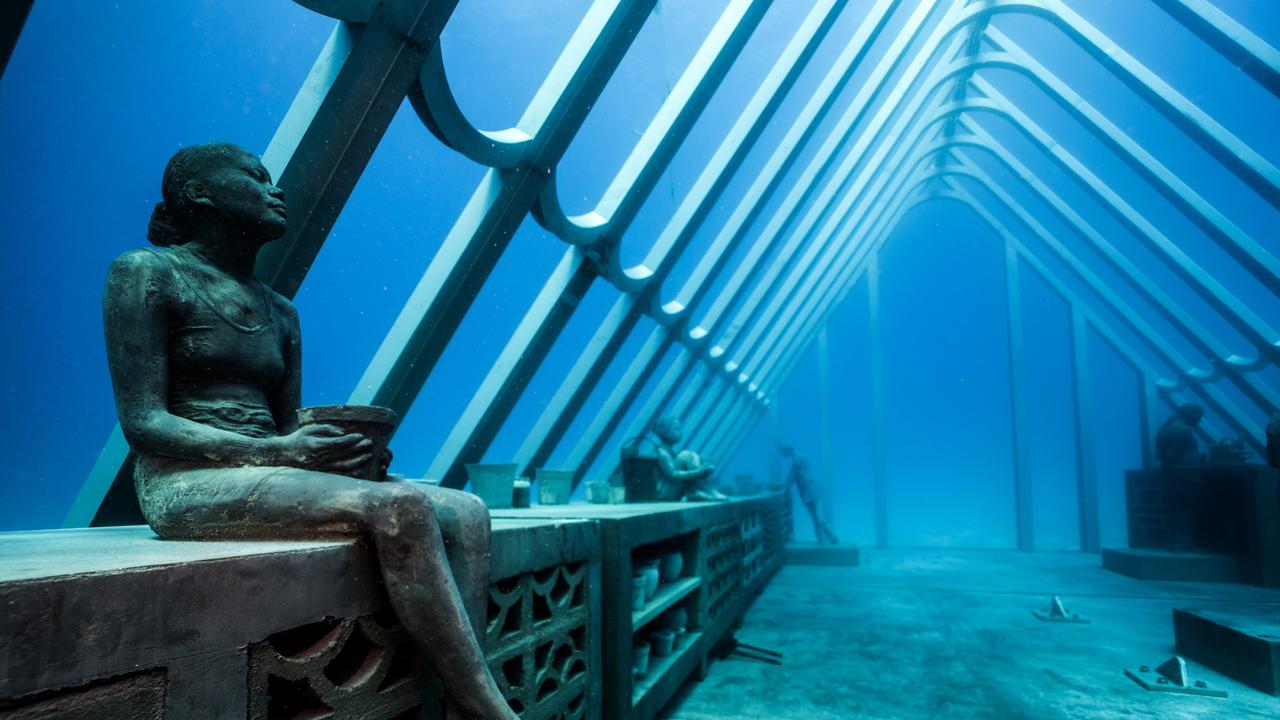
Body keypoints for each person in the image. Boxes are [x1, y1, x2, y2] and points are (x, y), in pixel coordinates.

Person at [103, 143, 517, 720]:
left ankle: (462, 695)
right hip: (185, 483)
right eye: (255, 177)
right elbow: (144, 424)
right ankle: (484, 709)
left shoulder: (281, 310)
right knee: (400, 508)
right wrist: (276, 450)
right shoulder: (147, 272)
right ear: (199, 194)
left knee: (467, 510)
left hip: (269, 467)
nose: (276, 191)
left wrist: (349, 453)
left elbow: (287, 426)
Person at [621, 416, 724, 501]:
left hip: (670, 492)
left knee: (693, 456)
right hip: (664, 494)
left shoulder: (669, 451)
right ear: (665, 433)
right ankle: (705, 490)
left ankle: (694, 491)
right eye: (677, 429)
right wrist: (699, 471)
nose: (681, 432)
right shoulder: (662, 452)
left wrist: (702, 467)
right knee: (686, 455)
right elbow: (673, 475)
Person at [779, 445, 839, 545]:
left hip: (808, 490)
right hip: (811, 488)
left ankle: (823, 540)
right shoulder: (800, 456)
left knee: (815, 516)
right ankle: (830, 537)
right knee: (815, 515)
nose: (782, 455)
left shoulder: (796, 459)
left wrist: (783, 489)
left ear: (787, 450)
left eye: (782, 452)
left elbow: (791, 477)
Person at [1155, 403, 1205, 469]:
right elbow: (1172, 454)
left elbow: (1161, 455)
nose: (1199, 420)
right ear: (1190, 414)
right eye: (1198, 416)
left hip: (1174, 471)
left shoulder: (1167, 427)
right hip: (1183, 471)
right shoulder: (1183, 430)